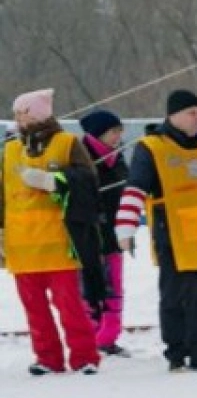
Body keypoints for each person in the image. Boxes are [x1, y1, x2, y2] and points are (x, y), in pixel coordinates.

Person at [117, 90, 197, 372]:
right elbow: (135, 188)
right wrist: (125, 227)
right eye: (191, 113)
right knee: (175, 296)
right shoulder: (151, 147)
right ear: (173, 115)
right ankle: (176, 352)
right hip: (172, 232)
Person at [3, 89, 104, 375]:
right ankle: (47, 357)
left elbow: (88, 182)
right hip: (22, 244)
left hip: (60, 242)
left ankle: (85, 356)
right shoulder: (9, 150)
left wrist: (54, 180)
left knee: (70, 306)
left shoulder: (67, 143)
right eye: (17, 114)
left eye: (23, 113)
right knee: (34, 309)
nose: (19, 119)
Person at [78, 109, 132, 357]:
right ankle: (90, 335)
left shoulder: (117, 157)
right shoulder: (79, 157)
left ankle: (108, 337)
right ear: (97, 134)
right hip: (87, 234)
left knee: (114, 286)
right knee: (89, 286)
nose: (117, 137)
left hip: (115, 233)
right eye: (113, 132)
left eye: (119, 132)